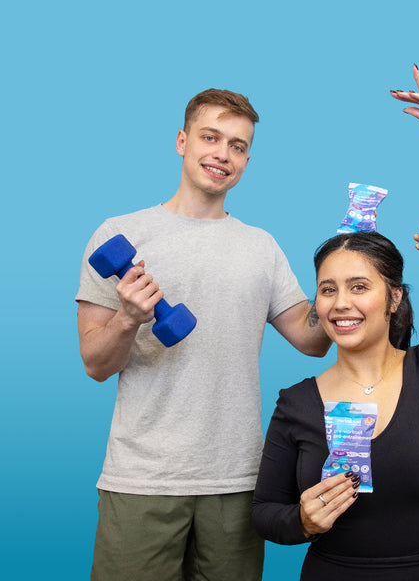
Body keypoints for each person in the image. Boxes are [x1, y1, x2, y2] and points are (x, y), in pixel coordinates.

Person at [249, 65, 419, 580]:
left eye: (359, 286)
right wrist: (301, 520)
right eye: (328, 289)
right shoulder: (297, 402)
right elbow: (265, 513)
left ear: (393, 298)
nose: (340, 303)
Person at [75, 88, 331, 581]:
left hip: (236, 481)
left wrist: (338, 287)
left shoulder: (261, 247)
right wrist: (128, 317)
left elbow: (312, 340)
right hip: (142, 479)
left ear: (247, 159)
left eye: (237, 145)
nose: (223, 154)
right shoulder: (118, 233)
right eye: (211, 137)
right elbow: (95, 364)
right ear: (182, 141)